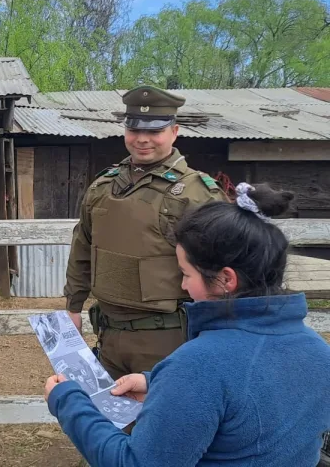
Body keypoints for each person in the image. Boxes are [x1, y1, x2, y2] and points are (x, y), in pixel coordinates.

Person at [45, 183, 330, 467]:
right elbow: (252, 388)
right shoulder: (317, 350)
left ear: (225, 280)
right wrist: (157, 382)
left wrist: (68, 401)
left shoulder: (199, 363)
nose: (182, 285)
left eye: (185, 273)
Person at [64, 84, 229, 379]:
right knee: (111, 419)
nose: (142, 139)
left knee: (166, 422)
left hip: (168, 340)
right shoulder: (103, 186)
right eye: (134, 129)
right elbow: (83, 248)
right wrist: (73, 307)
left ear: (174, 132)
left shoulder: (198, 193)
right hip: (108, 333)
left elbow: (227, 268)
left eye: (154, 131)